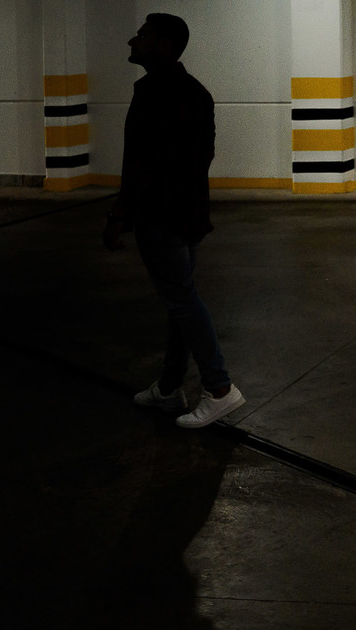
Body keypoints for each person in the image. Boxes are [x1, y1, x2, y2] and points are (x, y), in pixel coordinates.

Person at [103, 13, 244, 429]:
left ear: (163, 45)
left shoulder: (152, 93)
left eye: (142, 36)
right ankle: (168, 388)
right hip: (189, 214)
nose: (132, 41)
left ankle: (219, 388)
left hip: (160, 217)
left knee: (181, 300)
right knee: (179, 301)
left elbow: (138, 165)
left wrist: (118, 216)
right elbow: (204, 157)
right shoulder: (197, 92)